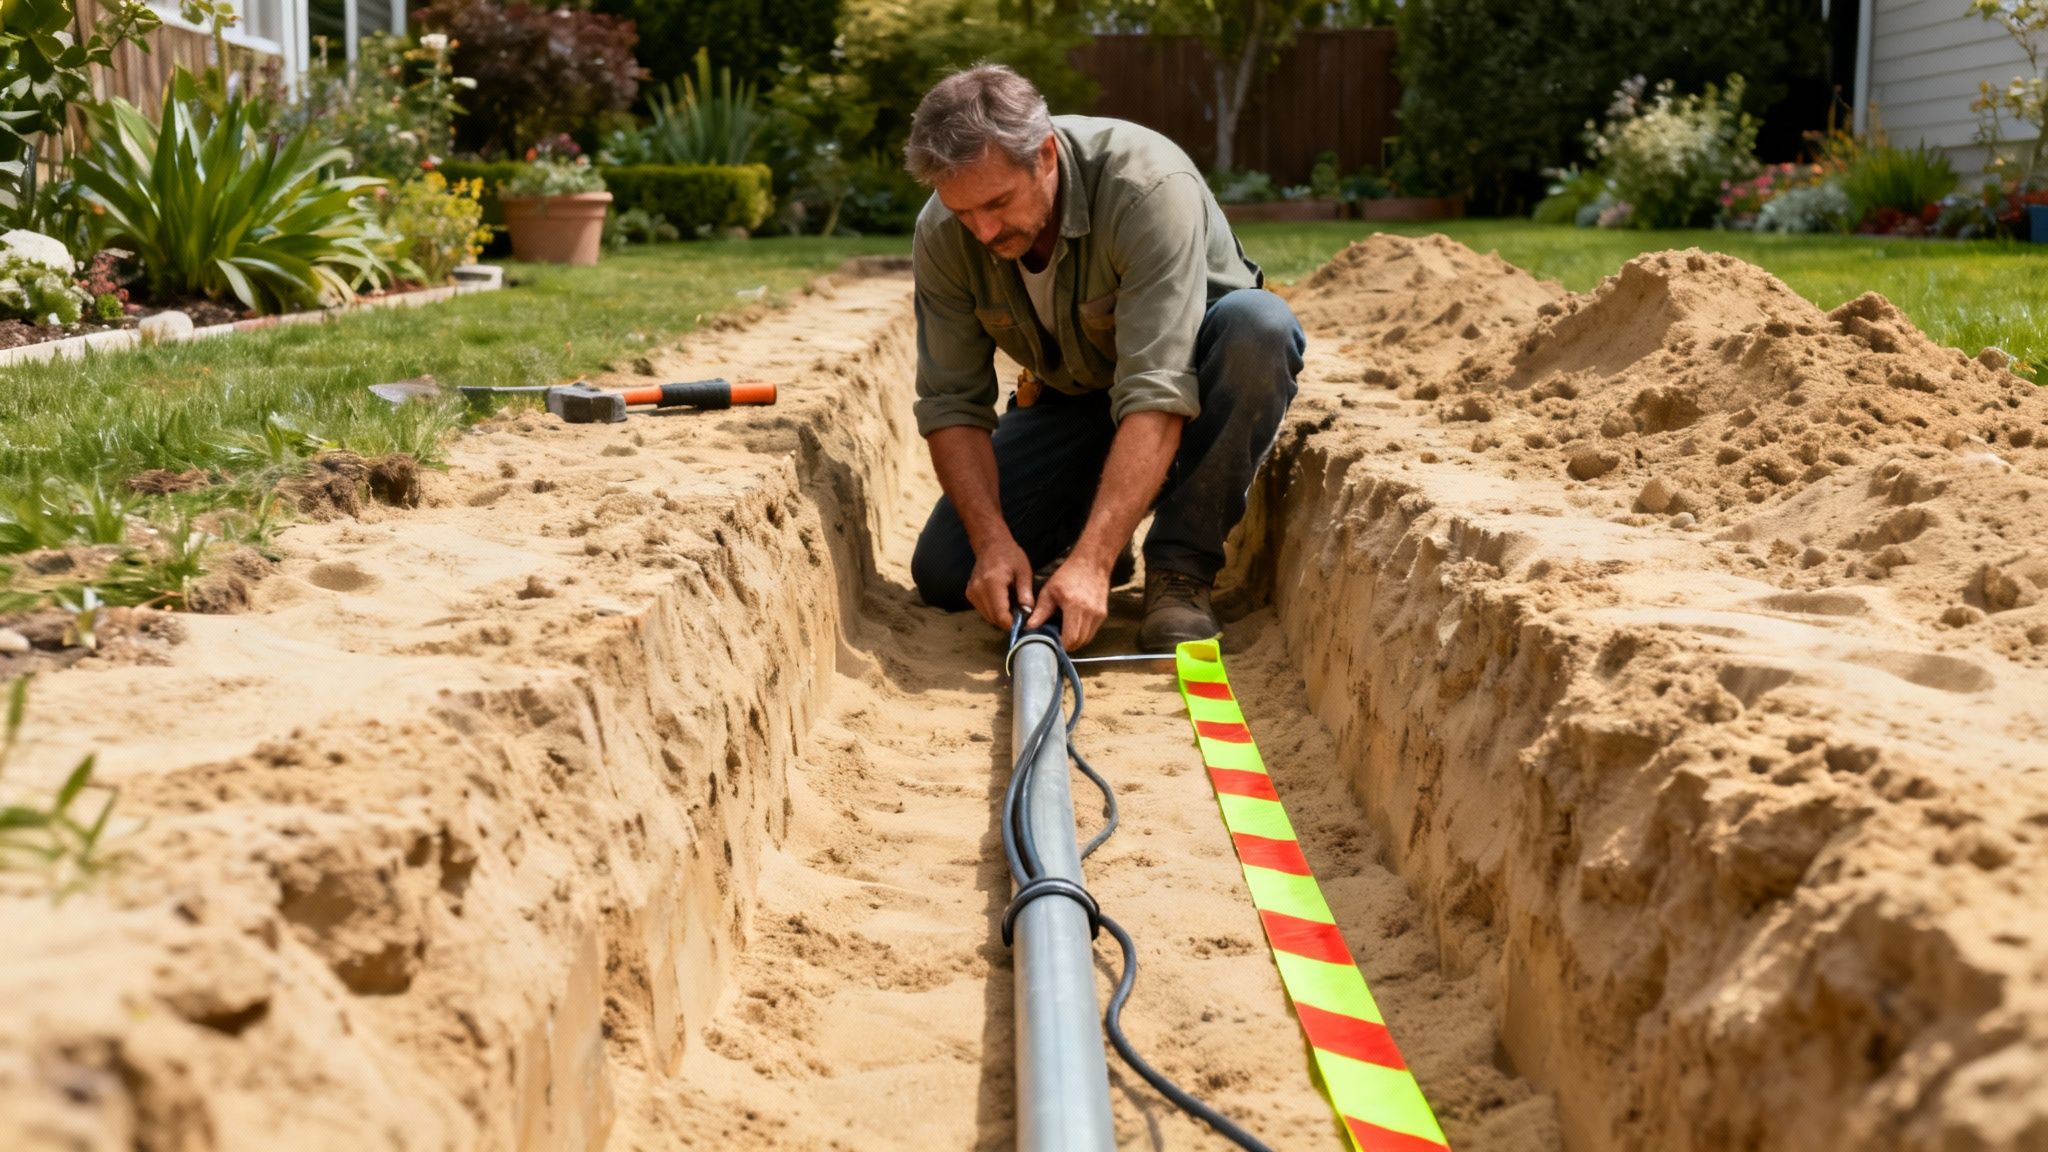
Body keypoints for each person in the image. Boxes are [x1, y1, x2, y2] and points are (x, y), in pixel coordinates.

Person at [903, 64, 1304, 651]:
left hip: (1194, 384)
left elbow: (1158, 388)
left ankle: (1180, 570)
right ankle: (1082, 542)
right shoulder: (943, 232)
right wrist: (992, 544)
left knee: (1260, 326)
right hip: (1077, 395)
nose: (983, 231)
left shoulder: (1146, 187)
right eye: (964, 213)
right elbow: (951, 403)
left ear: (1044, 155)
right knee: (947, 571)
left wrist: (1092, 562)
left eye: (997, 203)